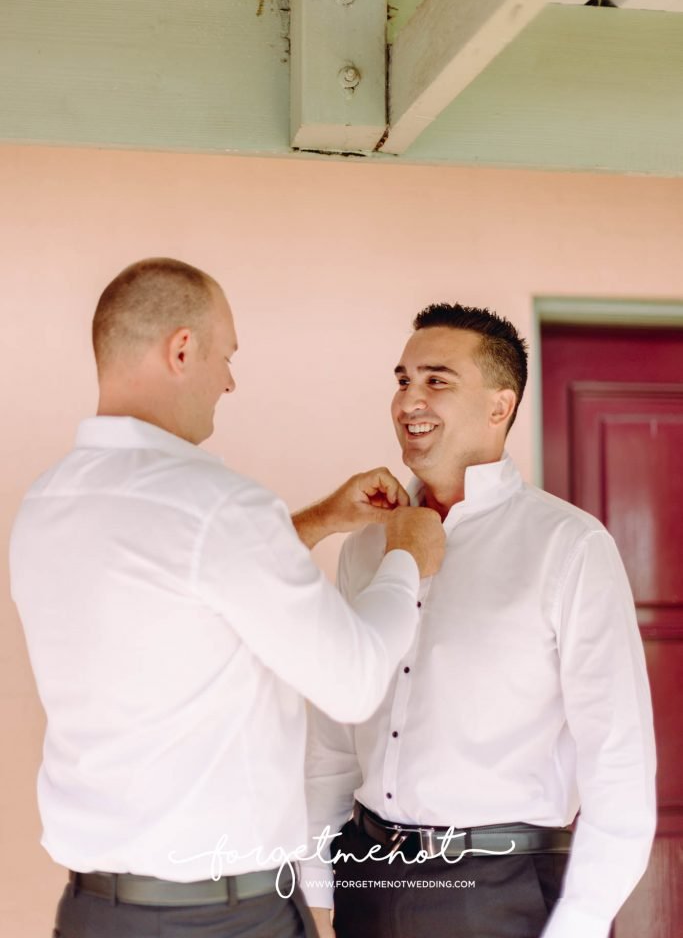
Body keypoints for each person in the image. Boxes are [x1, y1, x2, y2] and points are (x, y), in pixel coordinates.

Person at [9, 258, 446, 938]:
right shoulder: (218, 506)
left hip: (94, 913)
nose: (229, 381)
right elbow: (354, 681)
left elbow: (177, 591)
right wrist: (406, 561)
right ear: (182, 349)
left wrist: (315, 523)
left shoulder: (48, 501)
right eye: (226, 355)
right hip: (223, 918)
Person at [303, 303, 656, 938]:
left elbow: (620, 760)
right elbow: (335, 727)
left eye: (437, 380)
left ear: (500, 407)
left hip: (506, 894)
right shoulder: (364, 545)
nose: (410, 397)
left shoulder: (569, 546)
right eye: (403, 379)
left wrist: (579, 922)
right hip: (368, 880)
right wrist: (316, 884)